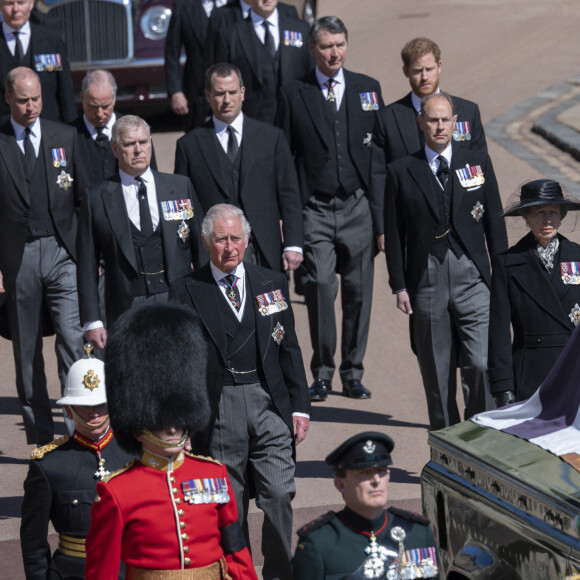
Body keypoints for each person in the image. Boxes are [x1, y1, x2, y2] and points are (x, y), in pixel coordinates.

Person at [170, 204, 310, 580]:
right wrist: (182, 424)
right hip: (219, 409)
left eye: (236, 238)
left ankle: (279, 573)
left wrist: (300, 407)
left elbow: (290, 349)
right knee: (230, 506)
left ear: (247, 240)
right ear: (206, 242)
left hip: (269, 403)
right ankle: (239, 574)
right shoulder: (186, 291)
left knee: (279, 493)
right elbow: (179, 364)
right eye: (221, 239)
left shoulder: (271, 283)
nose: (229, 247)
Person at [84, 303, 258, 579]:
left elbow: (236, 551)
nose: (174, 427)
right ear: (138, 427)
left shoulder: (214, 474)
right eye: (162, 421)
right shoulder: (117, 492)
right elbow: (102, 571)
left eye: (179, 417)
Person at [384, 91, 507, 430]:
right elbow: (394, 234)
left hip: (473, 276)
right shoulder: (401, 171)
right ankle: (445, 445)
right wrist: (399, 285)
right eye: (433, 120)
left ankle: (481, 438)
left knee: (481, 364)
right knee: (437, 374)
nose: (440, 127)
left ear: (456, 123)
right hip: (426, 278)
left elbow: (495, 223)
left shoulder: (477, 162)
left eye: (445, 120)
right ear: (420, 123)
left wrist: (501, 277)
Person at [277, 16, 382, 402]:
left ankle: (352, 373)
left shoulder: (367, 89)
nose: (334, 52)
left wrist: (381, 217)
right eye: (326, 46)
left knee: (358, 291)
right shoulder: (293, 93)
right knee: (320, 285)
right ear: (312, 49)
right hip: (314, 209)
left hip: (357, 206)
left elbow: (380, 157)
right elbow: (284, 156)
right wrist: (286, 211)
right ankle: (321, 372)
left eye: (339, 44)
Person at [0, 66, 87, 445]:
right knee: (28, 354)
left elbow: (84, 199)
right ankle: (43, 443)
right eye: (23, 100)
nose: (31, 106)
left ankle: (79, 437)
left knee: (72, 340)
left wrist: (88, 255)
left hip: (62, 253)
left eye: (36, 98)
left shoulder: (65, 136)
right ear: (8, 99)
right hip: (17, 259)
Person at [76, 115, 200, 351]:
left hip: (176, 301)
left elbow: (201, 250)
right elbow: (86, 265)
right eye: (129, 144)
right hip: (126, 306)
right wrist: (92, 320)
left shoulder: (180, 187)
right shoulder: (96, 198)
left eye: (143, 142)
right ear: (114, 149)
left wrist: (207, 302)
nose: (138, 150)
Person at [174, 63, 303, 273]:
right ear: (208, 95)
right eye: (219, 93)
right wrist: (185, 252)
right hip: (213, 256)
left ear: (242, 93)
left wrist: (293, 243)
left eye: (232, 92)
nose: (227, 100)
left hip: (264, 250)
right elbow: (183, 206)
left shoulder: (272, 138)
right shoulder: (189, 146)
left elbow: (289, 195)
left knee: (268, 305)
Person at [20, 346, 134, 580]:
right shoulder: (48, 464)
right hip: (74, 573)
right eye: (85, 406)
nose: (94, 413)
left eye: (101, 404)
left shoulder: (135, 453)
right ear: (69, 411)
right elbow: (34, 542)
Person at [369, 37, 487, 252]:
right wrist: (382, 228)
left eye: (429, 69)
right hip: (411, 230)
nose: (424, 77)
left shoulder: (468, 112)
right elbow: (378, 176)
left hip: (462, 224)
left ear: (439, 67)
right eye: (417, 70)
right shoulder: (388, 118)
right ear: (405, 71)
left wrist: (485, 223)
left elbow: (480, 171)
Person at [291, 432, 439, 579]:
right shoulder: (318, 543)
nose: (376, 480)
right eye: (365, 473)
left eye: (381, 471)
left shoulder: (418, 533)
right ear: (340, 484)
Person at [489, 179, 580, 404]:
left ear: (562, 216)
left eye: (553, 212)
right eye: (539, 212)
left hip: (573, 371)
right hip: (529, 376)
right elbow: (499, 332)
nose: (547, 219)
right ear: (526, 218)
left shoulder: (578, 256)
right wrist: (503, 388)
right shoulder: (508, 263)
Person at [213, 0, 312, 125]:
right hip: (251, 122)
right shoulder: (230, 35)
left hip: (294, 119)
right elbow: (221, 81)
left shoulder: (301, 29)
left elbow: (311, 73)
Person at [70, 70, 158, 186]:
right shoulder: (69, 135)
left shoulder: (136, 131)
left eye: (105, 106)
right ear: (82, 98)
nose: (100, 113)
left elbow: (150, 177)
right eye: (93, 106)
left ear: (114, 98)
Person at [0, 0, 76, 125]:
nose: (15, 9)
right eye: (9, 3)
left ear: (31, 4)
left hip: (47, 129)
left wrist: (72, 131)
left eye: (21, 3)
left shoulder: (51, 39)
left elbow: (65, 91)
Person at [164, 0, 226, 130]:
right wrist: (175, 91)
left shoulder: (238, 5)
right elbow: (172, 53)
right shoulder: (184, 5)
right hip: (196, 95)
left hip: (232, 94)